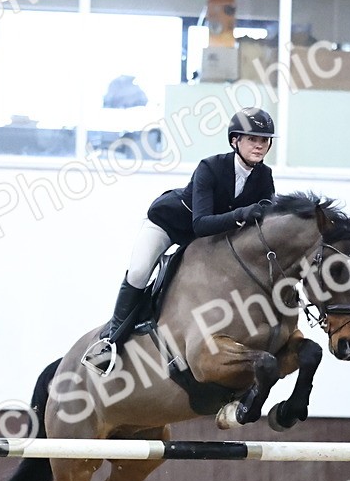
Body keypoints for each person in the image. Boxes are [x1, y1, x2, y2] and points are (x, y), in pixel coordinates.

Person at [98, 107, 277, 344]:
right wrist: (242, 213)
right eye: (252, 139)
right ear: (235, 141)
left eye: (264, 140)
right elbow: (200, 224)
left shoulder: (264, 176)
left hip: (206, 238)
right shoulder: (210, 167)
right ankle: (113, 338)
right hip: (169, 224)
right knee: (139, 271)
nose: (259, 146)